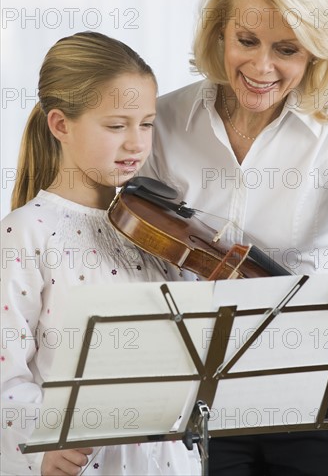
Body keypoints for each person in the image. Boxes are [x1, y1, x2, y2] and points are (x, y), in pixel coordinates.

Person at [142, 0, 328, 476]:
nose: (261, 67)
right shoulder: (166, 119)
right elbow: (142, 257)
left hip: (321, 376)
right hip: (206, 378)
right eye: (247, 40)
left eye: (287, 49)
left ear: (316, 50)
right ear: (220, 30)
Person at [0, 32, 201, 476]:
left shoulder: (155, 230)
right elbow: (5, 378)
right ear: (60, 125)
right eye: (116, 125)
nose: (136, 144)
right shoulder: (25, 234)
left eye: (146, 124)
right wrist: (43, 443)